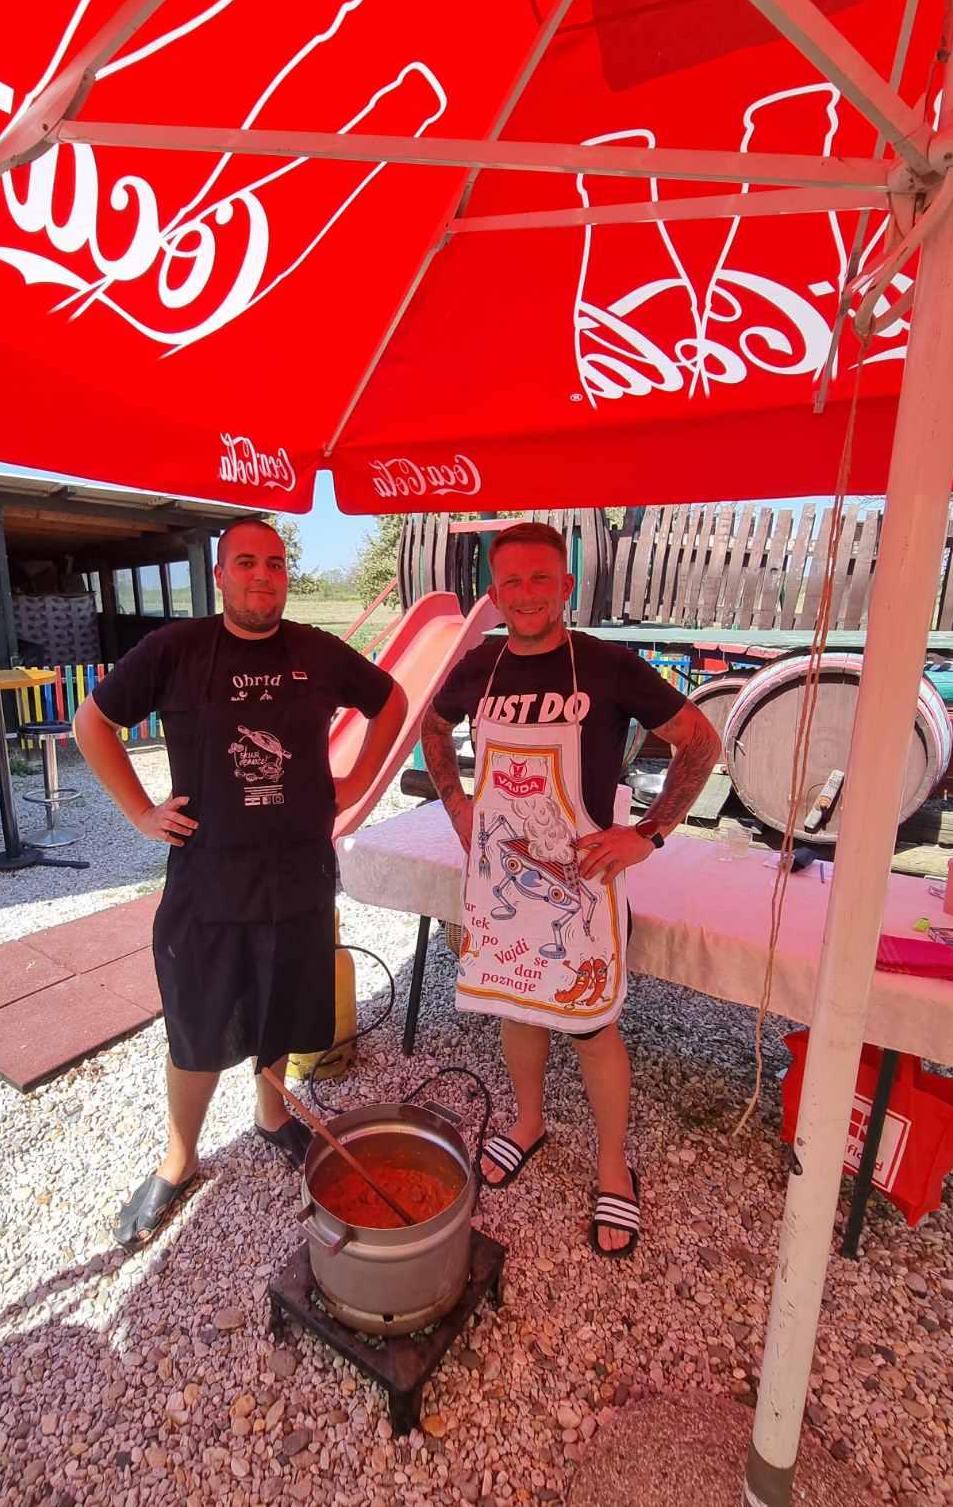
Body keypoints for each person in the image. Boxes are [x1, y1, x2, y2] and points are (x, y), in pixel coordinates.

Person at [75, 520, 407, 1249]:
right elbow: (90, 723)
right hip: (208, 879)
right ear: (221, 575)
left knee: (280, 1003)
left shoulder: (315, 651)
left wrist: (359, 782)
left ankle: (272, 1114)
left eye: (276, 564)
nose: (263, 575)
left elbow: (393, 701)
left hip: (299, 872)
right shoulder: (175, 649)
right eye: (247, 562)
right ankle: (180, 1157)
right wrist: (140, 812)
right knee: (195, 1022)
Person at [421, 522, 719, 1257]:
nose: (526, 594)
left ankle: (613, 1165)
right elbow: (433, 727)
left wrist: (647, 834)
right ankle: (529, 1123)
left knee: (590, 1027)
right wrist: (457, 805)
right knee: (517, 1006)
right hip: (504, 875)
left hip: (582, 879)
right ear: (494, 595)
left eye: (540, 579)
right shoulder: (480, 665)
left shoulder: (608, 665)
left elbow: (700, 740)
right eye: (511, 582)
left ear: (566, 587)